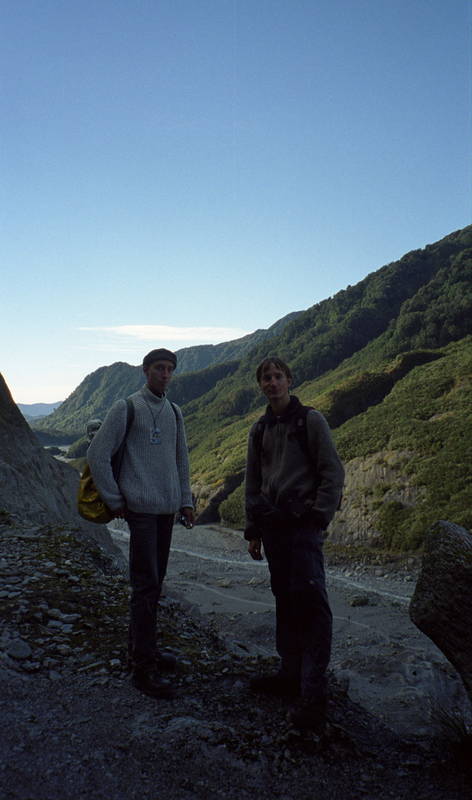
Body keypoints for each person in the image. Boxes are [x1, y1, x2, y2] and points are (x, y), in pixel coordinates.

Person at [87, 348, 194, 699]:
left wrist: (186, 501)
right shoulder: (127, 407)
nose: (165, 374)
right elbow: (97, 453)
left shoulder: (174, 411)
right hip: (142, 511)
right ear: (145, 371)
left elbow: (181, 459)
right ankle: (142, 668)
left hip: (166, 510)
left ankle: (143, 650)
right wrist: (115, 499)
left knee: (154, 583)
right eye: (159, 368)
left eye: (170, 369)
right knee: (146, 585)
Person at [244, 356, 344, 731]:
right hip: (274, 528)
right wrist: (253, 530)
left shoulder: (310, 420)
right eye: (266, 378)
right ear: (261, 385)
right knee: (285, 600)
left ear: (289, 380)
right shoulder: (259, 429)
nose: (272, 383)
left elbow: (332, 471)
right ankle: (289, 675)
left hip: (303, 526)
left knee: (312, 606)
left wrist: (319, 516)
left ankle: (313, 697)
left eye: (278, 376)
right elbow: (253, 483)